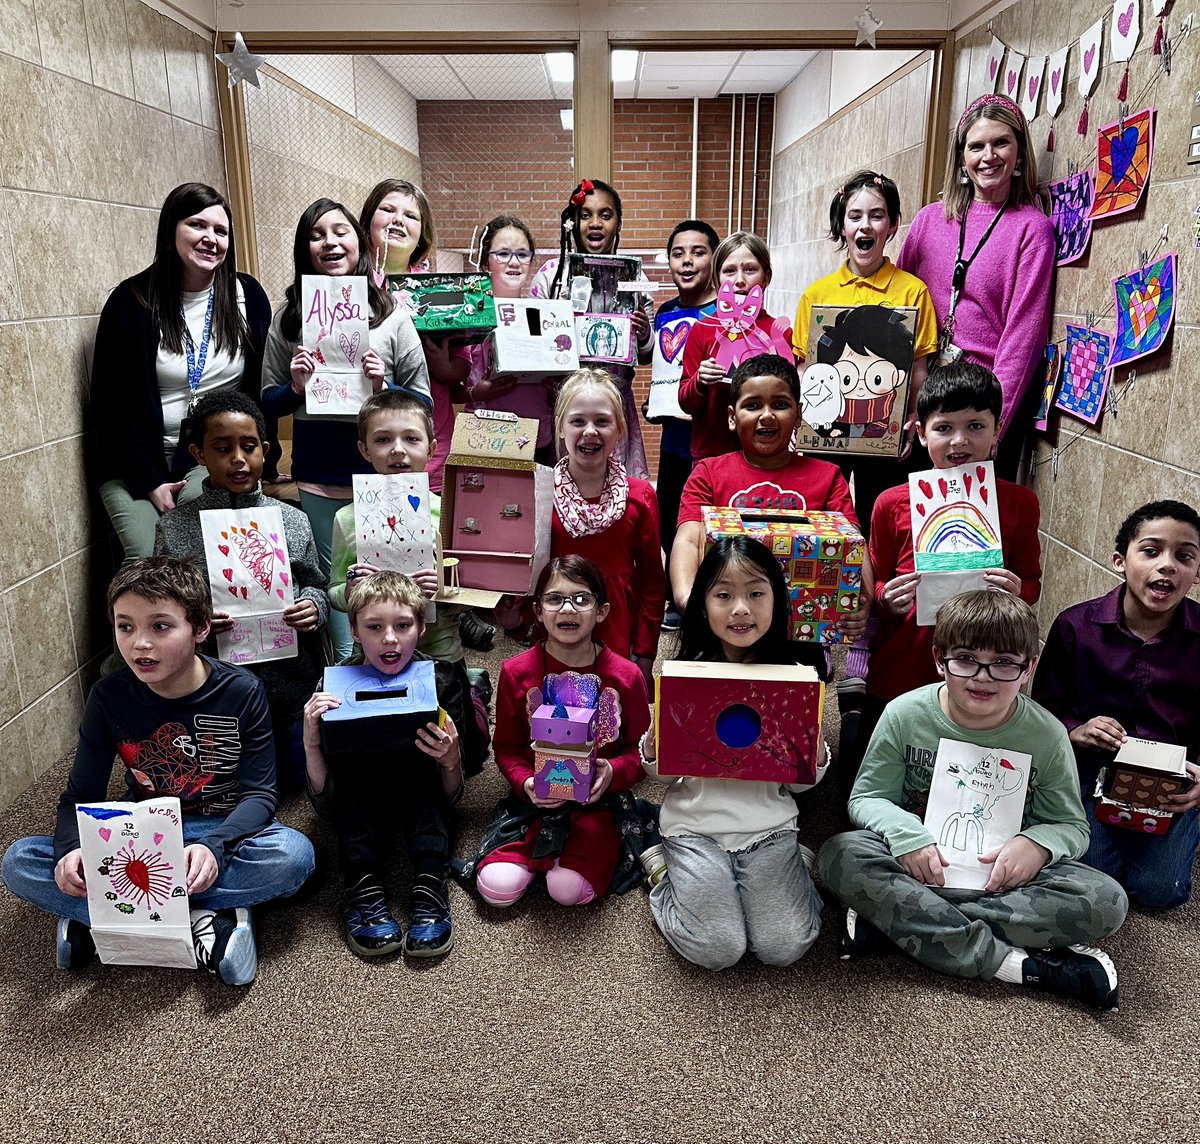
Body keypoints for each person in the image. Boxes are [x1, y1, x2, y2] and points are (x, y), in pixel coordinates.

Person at [1, 557, 315, 985]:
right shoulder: (108, 696)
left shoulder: (242, 691)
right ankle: (205, 922)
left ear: (200, 628)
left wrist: (215, 848)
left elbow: (260, 795)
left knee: (293, 857)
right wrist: (71, 851)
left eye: (161, 627)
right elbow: (80, 796)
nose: (139, 644)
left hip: (223, 829)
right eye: (125, 627)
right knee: (19, 861)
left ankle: (108, 920)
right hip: (142, 832)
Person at [819, 591, 1128, 1011]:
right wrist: (906, 834)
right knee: (840, 854)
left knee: (1105, 901)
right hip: (914, 864)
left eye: (1004, 663)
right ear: (939, 659)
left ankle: (898, 922)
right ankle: (1015, 964)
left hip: (1001, 878)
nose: (983, 677)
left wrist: (1037, 845)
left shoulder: (1048, 735)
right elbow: (868, 798)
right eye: (965, 659)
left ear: (1028, 668)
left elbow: (1071, 827)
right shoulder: (903, 714)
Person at [641, 537, 827, 970]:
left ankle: (792, 869)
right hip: (694, 828)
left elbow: (801, 785)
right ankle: (665, 874)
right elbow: (665, 776)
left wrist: (814, 754)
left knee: (783, 947)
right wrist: (652, 747)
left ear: (776, 600)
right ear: (703, 605)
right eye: (724, 595)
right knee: (718, 949)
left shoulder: (795, 678)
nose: (741, 609)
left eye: (756, 593)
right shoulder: (684, 674)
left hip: (769, 829)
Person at [260, 197, 430, 660]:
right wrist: (295, 387)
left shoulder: (392, 315)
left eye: (340, 232)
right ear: (304, 249)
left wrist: (385, 387)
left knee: (394, 584)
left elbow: (423, 401)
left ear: (359, 240)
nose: (330, 243)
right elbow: (267, 400)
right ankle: (344, 677)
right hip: (319, 472)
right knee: (339, 586)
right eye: (316, 235)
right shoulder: (288, 318)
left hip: (386, 474)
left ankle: (398, 670)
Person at [855, 363, 1041, 786]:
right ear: (921, 433)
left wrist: (1018, 590)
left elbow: (1031, 581)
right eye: (944, 428)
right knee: (881, 770)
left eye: (975, 426)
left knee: (971, 779)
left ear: (997, 431)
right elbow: (876, 586)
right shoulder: (891, 502)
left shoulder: (1020, 503)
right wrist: (886, 597)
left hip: (981, 665)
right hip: (904, 660)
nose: (959, 441)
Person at [153, 390, 330, 790]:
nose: (238, 459)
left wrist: (312, 606)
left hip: (290, 681)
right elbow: (164, 609)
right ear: (199, 454)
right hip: (213, 687)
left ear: (265, 451)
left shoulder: (292, 519)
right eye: (222, 448)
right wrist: (195, 624)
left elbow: (317, 584)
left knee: (299, 779)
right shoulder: (175, 528)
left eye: (249, 447)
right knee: (225, 784)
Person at [90, 182, 272, 566]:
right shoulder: (131, 302)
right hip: (135, 461)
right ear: (171, 228)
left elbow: (259, 390)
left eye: (220, 231)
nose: (210, 239)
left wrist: (265, 464)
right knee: (147, 561)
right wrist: (150, 480)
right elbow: (111, 406)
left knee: (201, 543)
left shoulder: (247, 296)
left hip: (212, 457)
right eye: (197, 225)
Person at [1033, 500, 1200, 909]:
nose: (1167, 565)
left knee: (1159, 891)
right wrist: (1075, 729)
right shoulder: (1075, 626)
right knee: (1094, 877)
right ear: (1120, 561)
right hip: (1092, 772)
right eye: (1151, 551)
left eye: (1184, 556)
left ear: (1197, 572)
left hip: (1172, 784)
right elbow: (1043, 709)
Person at [326, 389, 490, 774]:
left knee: (458, 755)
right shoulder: (347, 519)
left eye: (411, 438)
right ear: (364, 449)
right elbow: (332, 592)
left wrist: (445, 589)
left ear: (431, 448)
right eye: (383, 439)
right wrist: (349, 590)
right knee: (389, 756)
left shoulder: (449, 513)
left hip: (441, 651)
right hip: (376, 656)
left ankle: (474, 696)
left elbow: (476, 592)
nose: (398, 450)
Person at [473, 556, 652, 909]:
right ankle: (539, 854)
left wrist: (613, 771)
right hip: (533, 802)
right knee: (496, 888)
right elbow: (506, 746)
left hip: (598, 804)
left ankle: (573, 856)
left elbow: (642, 750)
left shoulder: (627, 676)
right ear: (538, 611)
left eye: (581, 599)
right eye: (555, 599)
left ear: (601, 612)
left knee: (567, 890)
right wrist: (526, 782)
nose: (567, 609)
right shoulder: (515, 671)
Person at [303, 572, 464, 959]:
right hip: (358, 790)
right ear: (354, 632)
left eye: (403, 626)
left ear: (421, 628)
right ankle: (362, 886)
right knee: (353, 798)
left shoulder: (442, 681)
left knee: (427, 798)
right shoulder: (330, 689)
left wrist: (452, 759)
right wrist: (310, 742)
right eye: (374, 627)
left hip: (421, 786)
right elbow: (325, 801)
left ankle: (430, 883)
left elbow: (452, 795)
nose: (389, 638)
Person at [897, 93, 1054, 479]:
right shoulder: (929, 220)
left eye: (1001, 143)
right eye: (976, 146)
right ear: (961, 158)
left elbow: (1023, 338)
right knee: (906, 510)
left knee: (969, 517)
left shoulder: (1032, 229)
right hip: (922, 400)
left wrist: (994, 423)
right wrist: (897, 404)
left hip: (980, 408)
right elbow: (898, 309)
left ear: (1019, 153)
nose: (989, 156)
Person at [670, 353, 863, 624]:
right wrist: (686, 598)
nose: (767, 415)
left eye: (780, 405)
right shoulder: (708, 474)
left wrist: (862, 601)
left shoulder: (828, 477)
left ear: (799, 415)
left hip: (802, 627)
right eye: (752, 405)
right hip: (726, 624)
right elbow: (688, 540)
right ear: (732, 417)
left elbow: (853, 545)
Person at [793, 170, 938, 530]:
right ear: (842, 225)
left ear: (892, 224)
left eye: (876, 216)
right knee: (823, 518)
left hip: (884, 432)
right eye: (855, 216)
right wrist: (801, 417)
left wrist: (914, 417)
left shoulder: (913, 291)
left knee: (880, 519)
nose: (865, 225)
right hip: (828, 431)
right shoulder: (817, 294)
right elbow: (804, 367)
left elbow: (919, 370)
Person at [536, 370, 665, 685]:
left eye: (602, 421)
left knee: (614, 710)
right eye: (578, 421)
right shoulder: (540, 493)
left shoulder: (640, 496)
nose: (590, 431)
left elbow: (652, 582)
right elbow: (529, 575)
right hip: (556, 631)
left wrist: (645, 652)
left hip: (618, 634)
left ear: (619, 429)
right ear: (560, 428)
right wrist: (518, 623)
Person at [531, 178, 652, 480]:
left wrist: (643, 332)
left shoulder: (635, 279)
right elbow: (533, 344)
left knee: (617, 492)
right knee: (564, 490)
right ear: (573, 223)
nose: (595, 223)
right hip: (565, 407)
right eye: (585, 215)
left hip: (614, 407)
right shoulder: (552, 275)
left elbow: (647, 355)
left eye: (605, 215)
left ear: (618, 223)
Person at [651, 220, 721, 631]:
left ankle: (714, 593)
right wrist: (656, 401)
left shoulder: (726, 312)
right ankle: (677, 597)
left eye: (698, 252)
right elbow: (664, 369)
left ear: (714, 258)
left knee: (709, 521)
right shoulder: (666, 312)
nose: (687, 261)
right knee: (671, 519)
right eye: (678, 253)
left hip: (711, 440)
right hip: (674, 438)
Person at [677, 233, 793, 463]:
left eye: (750, 270)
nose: (740, 280)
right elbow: (685, 402)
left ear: (766, 277)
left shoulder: (780, 333)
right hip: (712, 456)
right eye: (729, 271)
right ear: (717, 280)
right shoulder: (702, 329)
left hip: (767, 455)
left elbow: (790, 398)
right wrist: (699, 380)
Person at [464, 215, 558, 466]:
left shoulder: (539, 315)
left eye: (522, 254)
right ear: (485, 262)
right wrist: (478, 392)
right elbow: (454, 385)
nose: (514, 262)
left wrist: (553, 392)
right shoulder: (472, 316)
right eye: (503, 254)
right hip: (486, 436)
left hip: (536, 435)